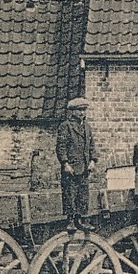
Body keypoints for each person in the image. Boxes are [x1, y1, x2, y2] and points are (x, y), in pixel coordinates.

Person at [54, 97, 98, 230]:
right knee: (70, 194)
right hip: (71, 167)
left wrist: (92, 161)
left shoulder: (87, 127)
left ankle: (82, 219)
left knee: (83, 194)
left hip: (84, 167)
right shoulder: (65, 126)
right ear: (72, 111)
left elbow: (91, 146)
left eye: (84, 110)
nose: (82, 113)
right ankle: (71, 221)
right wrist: (65, 163)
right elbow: (61, 147)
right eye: (79, 110)